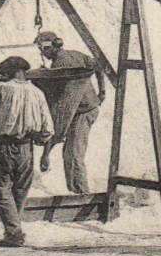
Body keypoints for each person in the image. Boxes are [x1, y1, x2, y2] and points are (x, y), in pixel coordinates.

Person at [0, 54, 53, 248]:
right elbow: (48, 129)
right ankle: (13, 229)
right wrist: (41, 140)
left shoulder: (2, 88)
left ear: (11, 72)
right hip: (26, 148)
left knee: (2, 187)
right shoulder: (37, 93)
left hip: (3, 145)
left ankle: (14, 232)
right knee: (20, 189)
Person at [30, 30, 106, 194]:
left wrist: (45, 154)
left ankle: (82, 193)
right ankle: (75, 191)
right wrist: (102, 91)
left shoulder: (60, 65)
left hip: (82, 112)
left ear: (53, 46)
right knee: (69, 155)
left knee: (74, 155)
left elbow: (60, 114)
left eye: (44, 49)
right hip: (82, 109)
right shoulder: (75, 54)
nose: (43, 53)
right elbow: (98, 66)